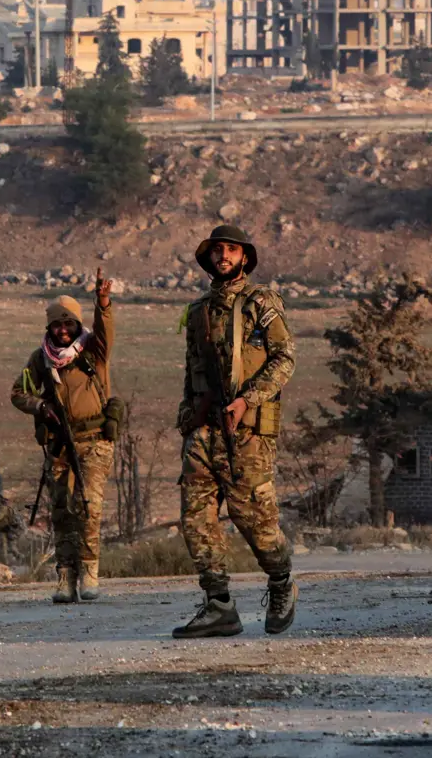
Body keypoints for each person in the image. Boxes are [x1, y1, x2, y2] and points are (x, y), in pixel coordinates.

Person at [172, 225, 298, 638]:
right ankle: (219, 604)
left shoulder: (261, 303)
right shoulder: (197, 312)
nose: (223, 256)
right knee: (196, 520)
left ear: (245, 257)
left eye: (231, 249)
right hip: (204, 430)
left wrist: (249, 399)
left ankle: (281, 582)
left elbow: (284, 359)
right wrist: (188, 415)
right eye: (217, 250)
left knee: (256, 521)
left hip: (247, 432)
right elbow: (192, 372)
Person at [11, 270, 115, 603]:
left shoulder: (92, 352)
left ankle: (89, 572)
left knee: (90, 507)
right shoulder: (40, 360)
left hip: (94, 441)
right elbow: (17, 392)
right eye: (57, 324)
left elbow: (105, 331)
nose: (63, 329)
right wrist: (40, 406)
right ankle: (65, 577)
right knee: (61, 511)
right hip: (59, 445)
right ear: (49, 327)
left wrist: (102, 303)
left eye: (68, 323)